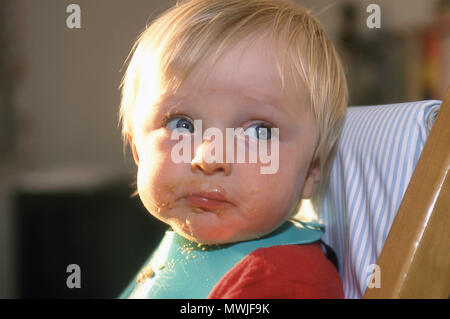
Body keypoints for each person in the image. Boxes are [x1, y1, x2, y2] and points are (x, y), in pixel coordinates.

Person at [118, 0, 347, 299]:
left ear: (311, 171)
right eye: (181, 124)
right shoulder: (177, 248)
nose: (209, 158)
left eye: (259, 131)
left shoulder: (282, 282)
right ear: (138, 149)